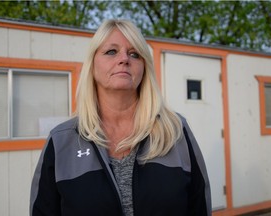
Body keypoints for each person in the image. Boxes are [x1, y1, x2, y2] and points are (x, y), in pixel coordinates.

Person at [30, 19, 211, 216]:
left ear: (144, 69)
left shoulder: (176, 130)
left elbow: (199, 206)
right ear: (92, 65)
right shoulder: (61, 141)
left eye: (134, 54)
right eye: (111, 51)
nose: (124, 59)